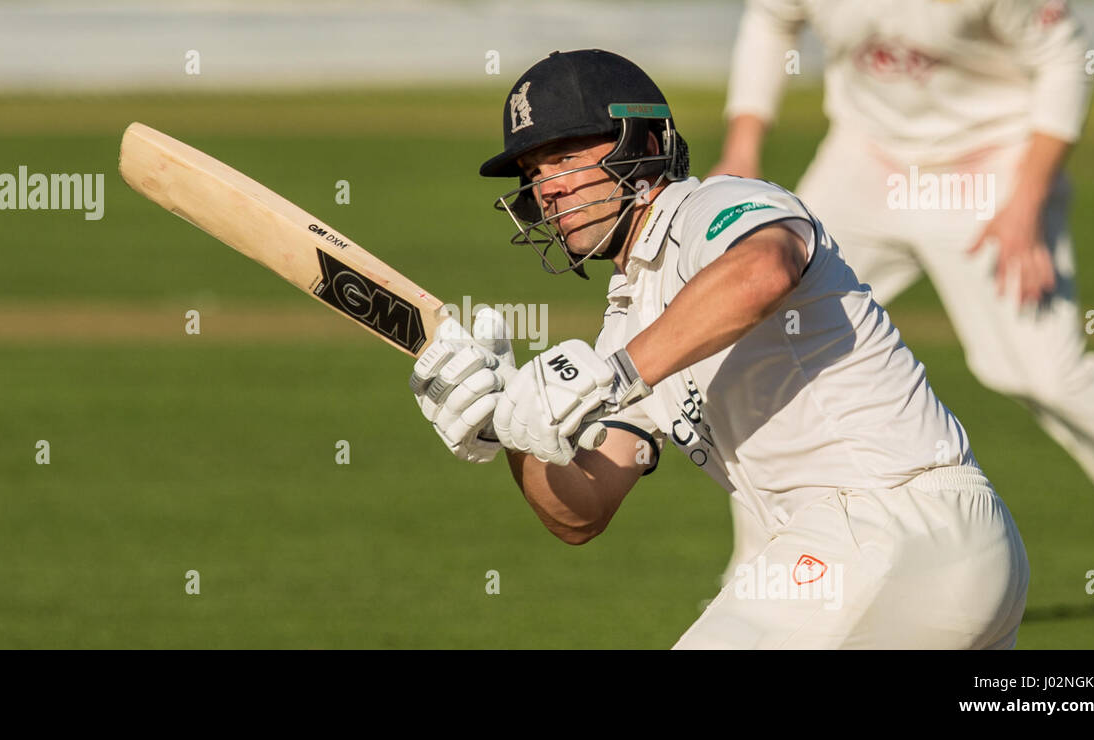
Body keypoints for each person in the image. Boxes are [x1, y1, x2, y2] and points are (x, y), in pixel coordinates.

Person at [408, 49, 1028, 648]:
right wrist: (515, 427)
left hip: (884, 526)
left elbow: (765, 268)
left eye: (565, 158)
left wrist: (616, 373)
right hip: (941, 550)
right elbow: (585, 510)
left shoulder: (707, 207)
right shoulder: (629, 321)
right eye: (534, 173)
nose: (548, 189)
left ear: (643, 145)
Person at [710, 0, 1094, 540]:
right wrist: (742, 148)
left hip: (988, 167)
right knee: (770, 346)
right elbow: (771, 20)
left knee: (1045, 373)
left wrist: (1026, 201)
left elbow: (1067, 59)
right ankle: (768, 565)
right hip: (865, 160)